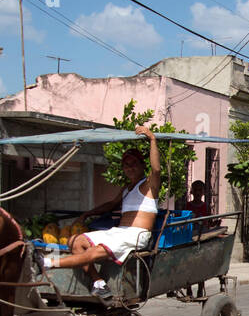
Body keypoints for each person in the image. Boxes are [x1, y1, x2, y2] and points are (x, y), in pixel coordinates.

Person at [42, 127, 161, 297]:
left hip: (136, 235)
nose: (130, 168)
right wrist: (87, 214)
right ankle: (98, 282)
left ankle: (47, 262)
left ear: (142, 165)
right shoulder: (127, 189)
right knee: (76, 241)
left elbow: (156, 169)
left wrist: (152, 140)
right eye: (126, 165)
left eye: (134, 164)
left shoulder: (150, 185)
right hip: (119, 232)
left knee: (93, 253)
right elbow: (111, 204)